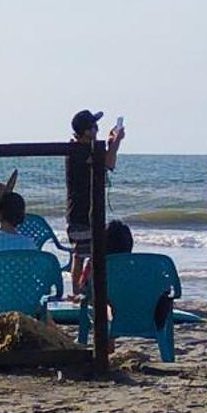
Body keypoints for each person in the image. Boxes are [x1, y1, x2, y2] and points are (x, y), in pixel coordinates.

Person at [64, 110, 124, 297]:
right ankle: (77, 292)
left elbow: (109, 164)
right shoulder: (77, 150)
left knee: (92, 254)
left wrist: (112, 145)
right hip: (80, 213)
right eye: (94, 127)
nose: (97, 129)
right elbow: (106, 162)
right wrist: (114, 144)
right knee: (80, 255)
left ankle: (85, 289)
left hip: (91, 212)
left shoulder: (88, 148)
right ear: (86, 131)